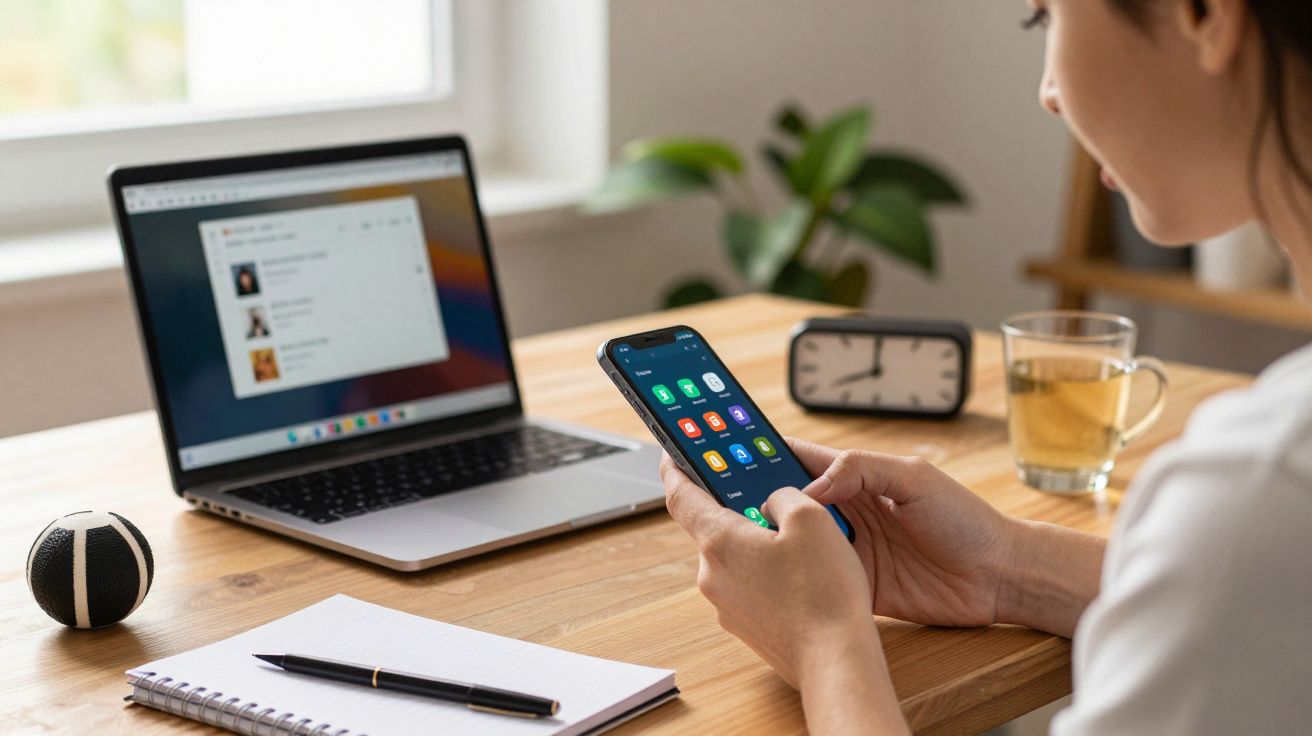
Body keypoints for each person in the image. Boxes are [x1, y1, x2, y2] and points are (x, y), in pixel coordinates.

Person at [660, 1, 1312, 734]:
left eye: (1047, 18)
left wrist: (824, 645)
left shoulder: (1264, 486)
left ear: (1201, 15)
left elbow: (1256, 558)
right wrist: (1008, 566)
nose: (1049, 92)